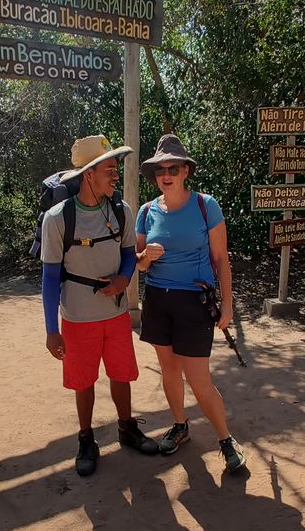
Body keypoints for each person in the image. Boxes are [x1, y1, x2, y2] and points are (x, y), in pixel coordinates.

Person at [41, 134, 159, 476]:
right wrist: (51, 330)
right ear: (89, 174)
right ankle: (86, 439)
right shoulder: (58, 219)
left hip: (117, 313)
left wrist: (125, 279)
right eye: (110, 169)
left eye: (115, 169)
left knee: (122, 374)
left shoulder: (121, 212)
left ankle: (127, 428)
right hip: (77, 317)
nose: (115, 176)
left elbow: (126, 256)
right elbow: (50, 278)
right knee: (83, 380)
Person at [135, 133, 246, 474]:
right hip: (156, 298)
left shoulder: (205, 205)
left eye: (173, 167)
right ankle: (180, 425)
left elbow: (221, 259)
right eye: (159, 169)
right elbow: (136, 263)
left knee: (198, 378)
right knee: (169, 370)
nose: (165, 174)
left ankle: (226, 439)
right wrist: (145, 258)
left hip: (194, 301)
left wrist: (227, 306)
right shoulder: (146, 211)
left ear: (185, 171)